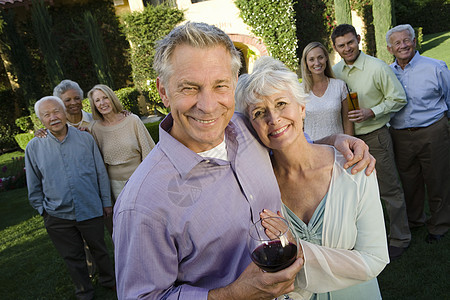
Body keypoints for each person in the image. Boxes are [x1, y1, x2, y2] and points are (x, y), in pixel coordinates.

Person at [112, 22, 375, 300]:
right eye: (190, 88)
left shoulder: (245, 128)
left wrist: (336, 141)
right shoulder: (141, 205)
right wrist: (231, 295)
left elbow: (288, 142)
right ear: (163, 91)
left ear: (235, 83)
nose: (208, 105)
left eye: (220, 85)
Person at [235, 55, 388, 299]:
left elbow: (375, 259)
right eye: (259, 112)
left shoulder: (354, 167)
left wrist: (295, 249)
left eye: (282, 104)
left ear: (302, 107)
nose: (273, 119)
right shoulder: (255, 188)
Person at [331, 24, 411, 260]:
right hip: (347, 142)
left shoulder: (377, 67)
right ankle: (364, 239)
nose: (347, 48)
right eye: (341, 46)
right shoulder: (335, 72)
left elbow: (398, 98)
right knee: (355, 194)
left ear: (358, 39)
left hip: (374, 136)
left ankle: (400, 238)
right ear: (336, 48)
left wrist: (372, 112)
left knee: (389, 189)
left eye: (350, 42)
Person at [25, 96, 116, 300]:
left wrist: (105, 202)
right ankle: (84, 292)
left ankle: (109, 281)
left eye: (56, 111)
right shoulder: (33, 147)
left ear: (64, 112)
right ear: (41, 120)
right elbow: (33, 184)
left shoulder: (86, 138)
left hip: (90, 207)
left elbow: (100, 172)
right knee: (72, 257)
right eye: (46, 115)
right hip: (57, 215)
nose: (53, 117)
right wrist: (43, 211)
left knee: (99, 249)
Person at [386, 24, 450, 243]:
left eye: (406, 40)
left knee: (437, 179)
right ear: (390, 48)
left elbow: (449, 98)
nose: (403, 45)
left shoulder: (435, 67)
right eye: (397, 43)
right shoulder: (387, 72)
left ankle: (439, 224)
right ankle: (415, 221)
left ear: (414, 42)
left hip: (432, 131)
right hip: (401, 136)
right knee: (409, 181)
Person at [87, 84, 155, 234]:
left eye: (105, 98)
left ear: (112, 98)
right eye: (97, 100)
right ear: (94, 105)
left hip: (140, 180)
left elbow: (148, 152)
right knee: (129, 226)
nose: (102, 103)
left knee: (149, 222)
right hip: (115, 187)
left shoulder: (132, 120)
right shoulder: (95, 129)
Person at [301, 42, 353, 140]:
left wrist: (349, 144)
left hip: (338, 147)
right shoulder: (300, 90)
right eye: (311, 59)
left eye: (320, 57)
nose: (317, 63)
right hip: (312, 148)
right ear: (306, 63)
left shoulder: (339, 85)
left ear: (326, 58)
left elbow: (347, 119)